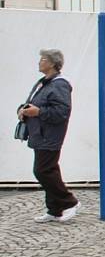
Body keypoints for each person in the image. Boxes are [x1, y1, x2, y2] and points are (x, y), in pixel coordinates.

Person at [17, 49, 81, 223]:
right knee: (50, 170)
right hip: (39, 133)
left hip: (50, 135)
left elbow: (62, 111)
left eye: (43, 59)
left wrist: (38, 112)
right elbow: (32, 102)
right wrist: (23, 110)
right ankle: (54, 209)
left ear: (53, 63)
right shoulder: (42, 83)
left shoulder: (59, 84)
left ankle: (70, 202)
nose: (39, 62)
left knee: (42, 170)